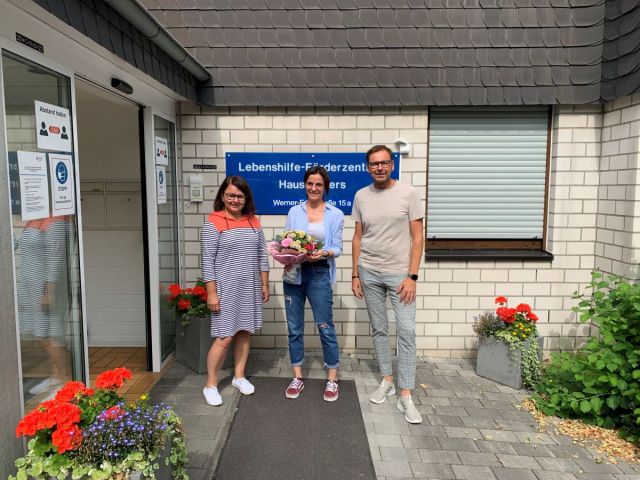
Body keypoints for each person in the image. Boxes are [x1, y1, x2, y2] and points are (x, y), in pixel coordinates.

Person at [351, 145, 425, 424]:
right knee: (379, 328)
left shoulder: (408, 193)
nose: (379, 167)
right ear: (367, 167)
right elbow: (358, 237)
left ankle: (406, 395)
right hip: (369, 272)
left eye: (384, 163)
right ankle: (387, 380)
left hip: (400, 275)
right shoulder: (361, 196)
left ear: (392, 165)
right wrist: (355, 274)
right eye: (374, 164)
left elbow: (418, 238)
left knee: (406, 331)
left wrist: (412, 276)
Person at [201, 176, 270, 406]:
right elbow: (207, 261)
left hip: (249, 287)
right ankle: (211, 385)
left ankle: (239, 377)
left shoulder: (253, 222)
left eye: (240, 196)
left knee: (244, 332)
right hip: (225, 289)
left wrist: (264, 284)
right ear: (223, 196)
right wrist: (212, 293)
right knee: (224, 337)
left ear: (246, 198)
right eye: (231, 195)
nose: (235, 200)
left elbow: (262, 256)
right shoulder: (213, 223)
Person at [282, 166, 344, 402]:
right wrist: (286, 256)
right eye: (310, 183)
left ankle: (332, 379)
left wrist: (324, 252)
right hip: (294, 273)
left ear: (325, 187)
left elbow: (338, 248)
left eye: (319, 184)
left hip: (319, 272)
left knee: (325, 326)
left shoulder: (335, 214)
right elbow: (286, 242)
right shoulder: (294, 211)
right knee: (294, 328)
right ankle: (297, 376)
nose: (314, 188)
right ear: (305, 185)